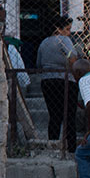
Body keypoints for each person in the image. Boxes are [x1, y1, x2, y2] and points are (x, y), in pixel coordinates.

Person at [35, 16, 79, 154]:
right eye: (67, 29)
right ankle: (71, 148)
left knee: (54, 115)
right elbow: (72, 57)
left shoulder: (43, 43)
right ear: (58, 29)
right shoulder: (64, 40)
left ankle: (53, 146)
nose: (69, 33)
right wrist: (75, 72)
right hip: (65, 81)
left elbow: (38, 64)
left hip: (47, 82)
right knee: (69, 115)